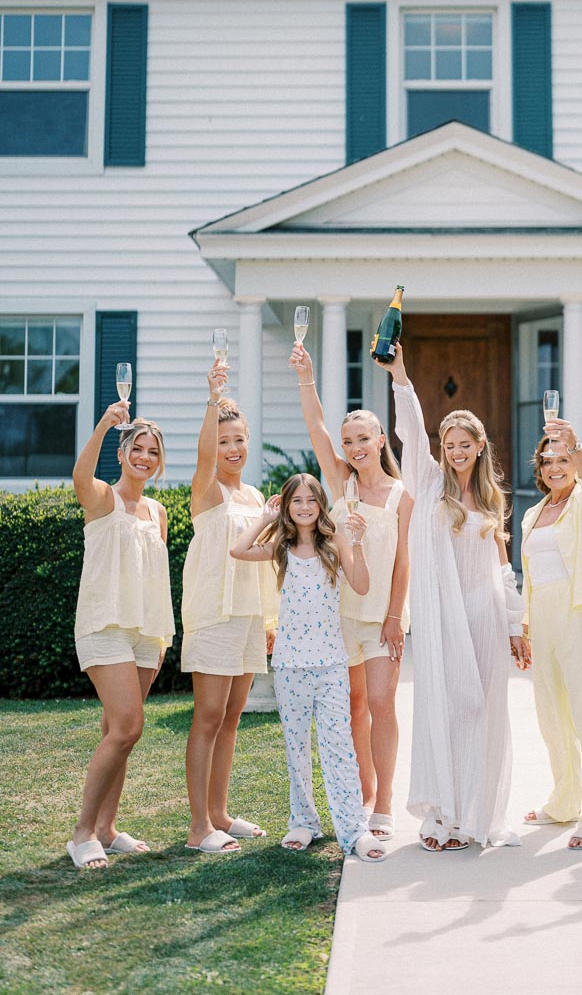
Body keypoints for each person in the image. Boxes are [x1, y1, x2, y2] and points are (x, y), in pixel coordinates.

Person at [379, 342, 529, 851]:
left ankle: (473, 816)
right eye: (449, 444)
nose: (456, 452)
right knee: (446, 709)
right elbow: (409, 430)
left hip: (485, 616)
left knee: (484, 713)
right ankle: (439, 816)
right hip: (443, 617)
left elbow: (504, 568)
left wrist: (515, 626)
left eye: (465, 444)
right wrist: (401, 374)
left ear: (479, 446)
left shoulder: (491, 498)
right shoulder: (427, 480)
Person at [290, 342, 411, 841]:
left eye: (364, 437)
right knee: (352, 707)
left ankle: (384, 804)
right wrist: (307, 378)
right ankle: (357, 796)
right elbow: (316, 428)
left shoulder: (402, 495)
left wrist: (394, 617)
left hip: (380, 617)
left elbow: (404, 563)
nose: (356, 447)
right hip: (335, 618)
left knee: (383, 705)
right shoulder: (340, 485)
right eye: (349, 441)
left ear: (380, 438)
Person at [230, 473, 385, 862]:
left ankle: (354, 830)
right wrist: (266, 519)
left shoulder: (335, 545)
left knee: (340, 748)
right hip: (289, 665)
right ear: (287, 506)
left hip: (331, 664)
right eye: (295, 501)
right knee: (296, 747)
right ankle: (303, 821)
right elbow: (238, 550)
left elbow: (363, 586)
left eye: (310, 501)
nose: (303, 508)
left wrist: (359, 541)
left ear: (321, 506)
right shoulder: (280, 547)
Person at [68, 403, 174, 869]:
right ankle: (82, 834)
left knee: (119, 731)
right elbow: (79, 476)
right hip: (104, 625)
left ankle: (108, 829)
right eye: (138, 449)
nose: (144, 458)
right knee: (129, 725)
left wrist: (162, 635)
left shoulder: (158, 512)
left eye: (153, 452)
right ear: (123, 451)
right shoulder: (101, 498)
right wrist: (105, 424)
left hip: (146, 631)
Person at [181, 362, 280, 854]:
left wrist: (267, 619)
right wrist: (212, 401)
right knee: (208, 716)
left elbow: (262, 562)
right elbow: (201, 458)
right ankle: (199, 827)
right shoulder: (206, 489)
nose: (233, 449)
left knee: (234, 715)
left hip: (246, 617)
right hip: (213, 614)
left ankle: (219, 813)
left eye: (239, 439)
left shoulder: (256, 495)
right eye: (224, 441)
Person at [520, 425, 582, 850]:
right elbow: (531, 577)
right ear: (539, 468)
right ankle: (564, 802)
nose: (556, 467)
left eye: (564, 459)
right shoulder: (532, 512)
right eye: (549, 460)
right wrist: (523, 628)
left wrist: (575, 443)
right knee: (551, 714)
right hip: (543, 619)